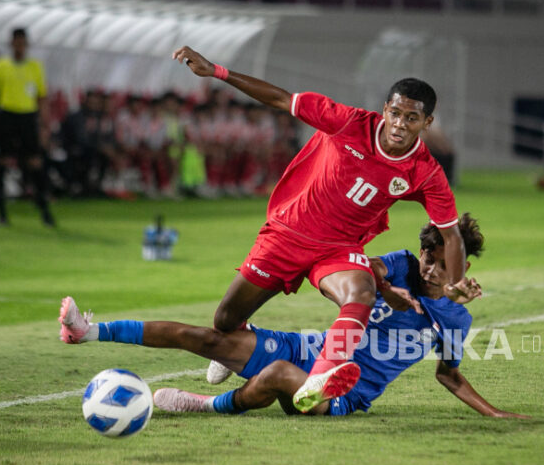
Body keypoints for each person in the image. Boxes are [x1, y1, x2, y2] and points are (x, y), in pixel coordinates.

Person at [168, 46, 478, 412]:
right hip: (289, 232)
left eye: (411, 118)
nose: (400, 124)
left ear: (426, 123)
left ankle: (322, 374)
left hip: (337, 248)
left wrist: (455, 283)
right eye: (395, 113)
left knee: (358, 295)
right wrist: (218, 72)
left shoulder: (425, 171)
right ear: (385, 110)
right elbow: (282, 99)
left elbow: (450, 233)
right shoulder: (347, 121)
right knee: (224, 321)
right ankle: (244, 335)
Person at [59, 215, 525, 419]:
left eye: (440, 261)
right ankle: (88, 331)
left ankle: (207, 404)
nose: (428, 264)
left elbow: (450, 376)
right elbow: (369, 268)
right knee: (204, 336)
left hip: (346, 393)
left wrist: (496, 412)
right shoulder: (400, 264)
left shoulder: (454, 320)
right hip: (310, 350)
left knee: (282, 375)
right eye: (428, 253)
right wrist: (388, 289)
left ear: (460, 266)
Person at [0, 28, 55, 226]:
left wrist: (45, 126)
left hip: (28, 118)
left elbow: (42, 98)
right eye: (17, 42)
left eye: (23, 43)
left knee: (35, 163)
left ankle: (45, 210)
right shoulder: (0, 65)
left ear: (26, 44)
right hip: (6, 116)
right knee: (1, 162)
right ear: (11, 43)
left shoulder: (35, 67)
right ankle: (1, 212)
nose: (20, 46)